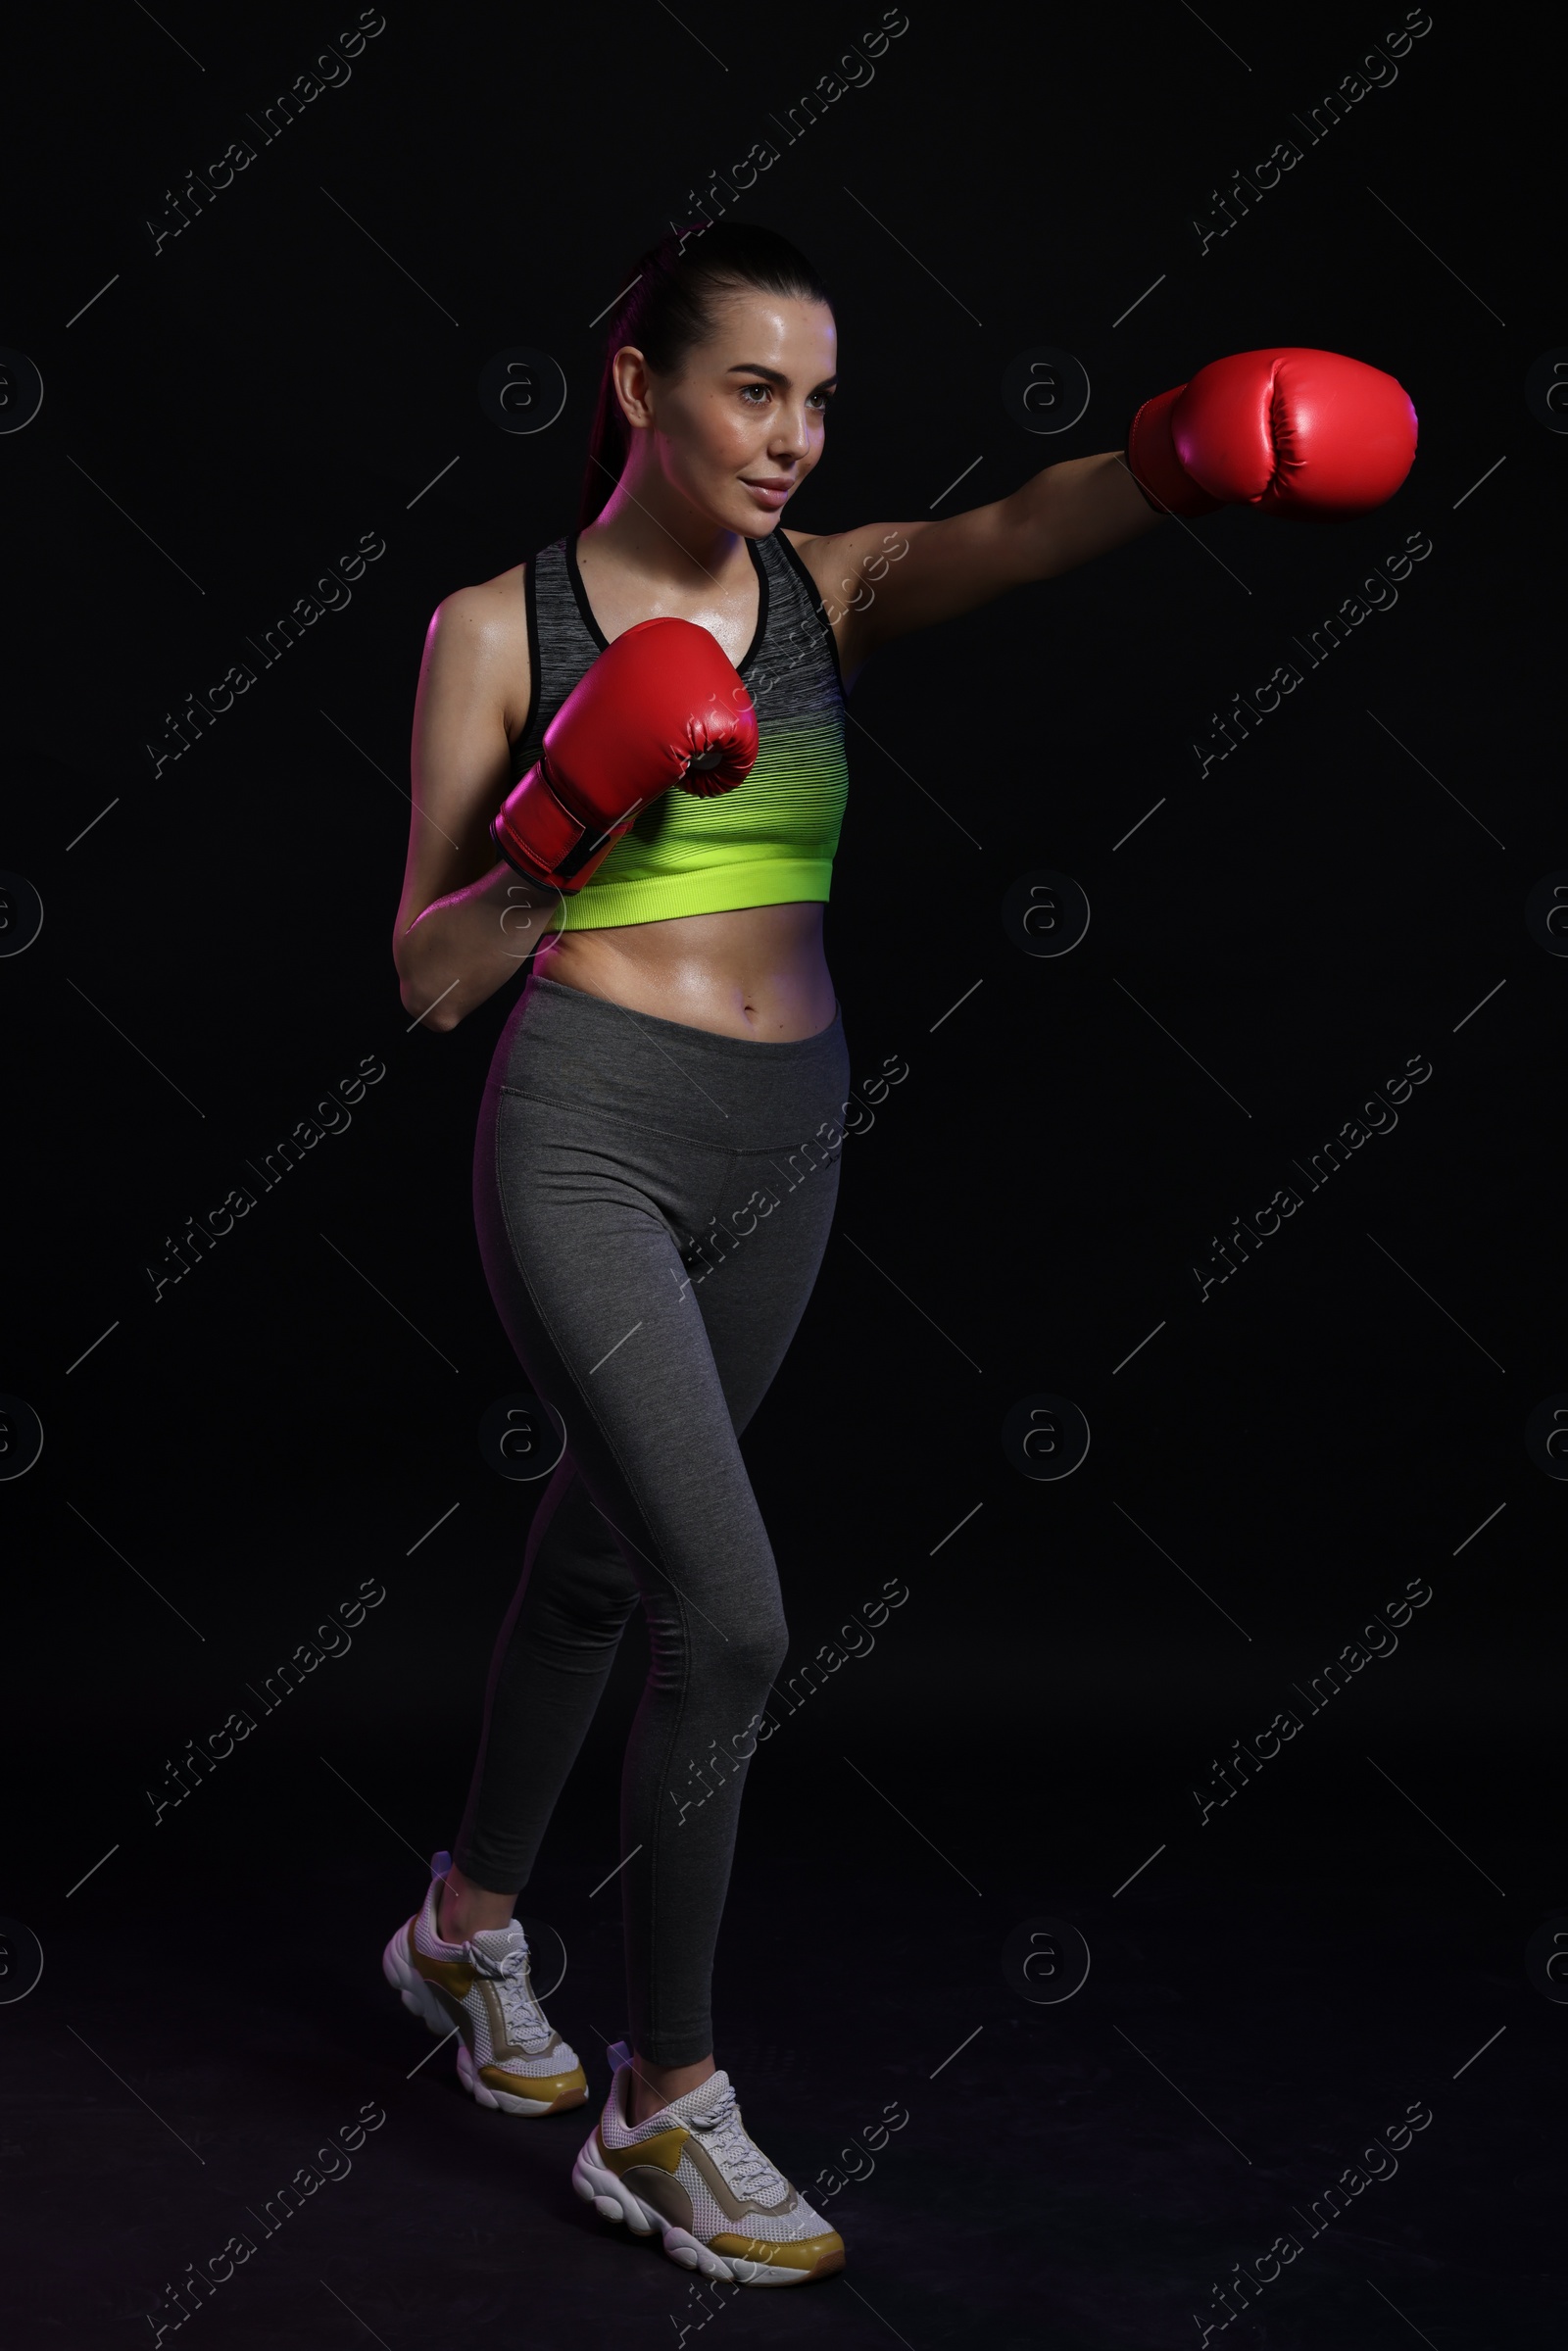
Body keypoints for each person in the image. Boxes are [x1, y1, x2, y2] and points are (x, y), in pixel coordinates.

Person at [380, 221, 1417, 2288]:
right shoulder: (490, 630)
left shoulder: (822, 593)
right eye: (752, 389)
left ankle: (458, 1937)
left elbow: (1026, 528)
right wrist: (563, 823)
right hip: (584, 1132)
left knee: (609, 1554)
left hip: (786, 1134)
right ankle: (662, 2108)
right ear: (637, 389)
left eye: (819, 398)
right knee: (732, 1616)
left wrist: (1192, 452)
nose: (793, 437)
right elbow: (426, 980)